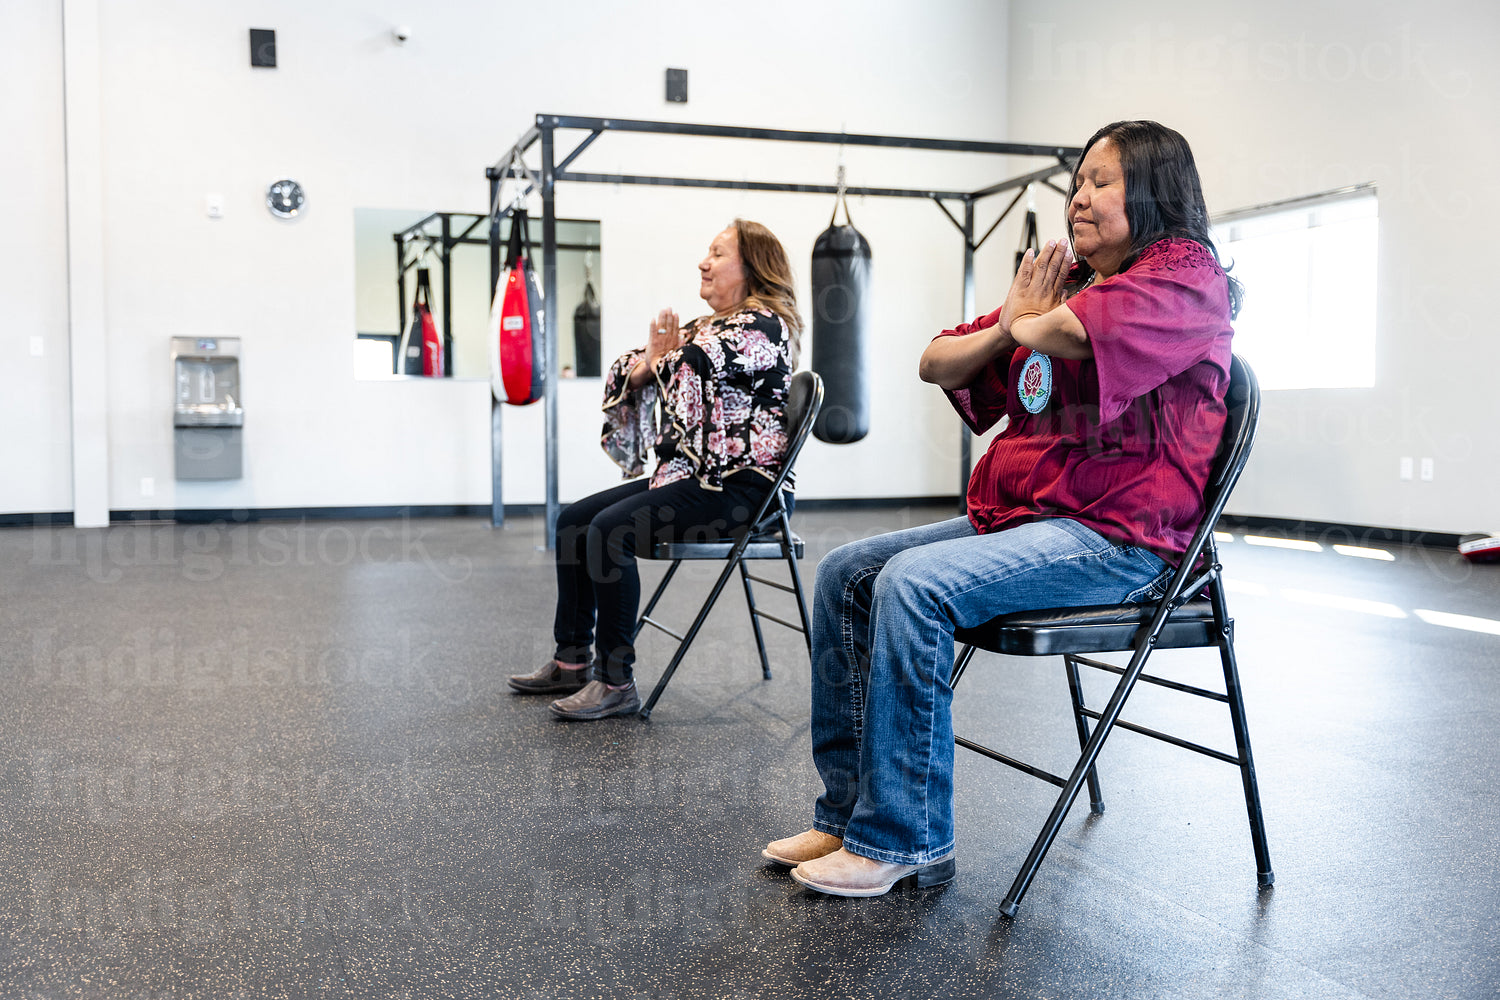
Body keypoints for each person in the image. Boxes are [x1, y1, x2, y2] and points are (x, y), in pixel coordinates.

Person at [763, 120, 1244, 896]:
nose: (1079, 199)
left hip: (1126, 543)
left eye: (1101, 182)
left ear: (1152, 191)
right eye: (1076, 183)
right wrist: (1009, 321)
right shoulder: (1072, 288)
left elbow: (1061, 332)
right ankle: (848, 812)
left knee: (913, 587)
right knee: (847, 573)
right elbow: (935, 360)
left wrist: (1012, 319)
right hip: (1035, 520)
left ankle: (904, 839)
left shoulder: (1187, 278)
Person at [508, 220, 803, 721]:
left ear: (752, 268)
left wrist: (657, 360)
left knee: (608, 530)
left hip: (743, 490)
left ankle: (615, 680)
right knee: (573, 520)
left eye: (716, 253)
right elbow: (645, 361)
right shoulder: (711, 324)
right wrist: (652, 360)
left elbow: (691, 363)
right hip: (695, 477)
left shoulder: (762, 326)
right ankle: (572, 658)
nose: (702, 263)